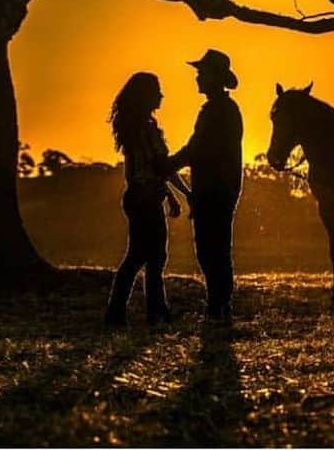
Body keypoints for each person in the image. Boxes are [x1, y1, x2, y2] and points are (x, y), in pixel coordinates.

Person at [104, 72, 189, 327]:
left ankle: (142, 311)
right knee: (148, 257)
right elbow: (160, 167)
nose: (161, 95)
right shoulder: (146, 130)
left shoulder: (135, 127)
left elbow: (152, 171)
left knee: (144, 256)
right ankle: (147, 312)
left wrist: (172, 197)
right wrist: (185, 193)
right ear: (146, 96)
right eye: (157, 91)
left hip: (141, 196)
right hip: (146, 198)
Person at [169, 49, 244, 324]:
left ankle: (218, 305)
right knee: (217, 248)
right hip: (220, 188)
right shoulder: (223, 109)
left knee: (210, 248)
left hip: (214, 190)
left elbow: (195, 149)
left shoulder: (217, 111)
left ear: (214, 77)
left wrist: (166, 165)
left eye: (202, 73)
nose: (198, 78)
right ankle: (220, 304)